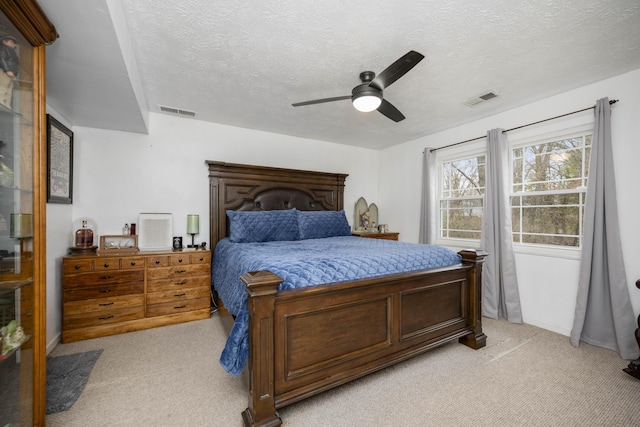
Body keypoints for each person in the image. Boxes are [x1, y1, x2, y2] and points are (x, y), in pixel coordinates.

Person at [0, 35, 19, 109]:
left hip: (12, 73)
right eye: (11, 42)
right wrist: (7, 70)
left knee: (9, 90)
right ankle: (1, 101)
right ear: (5, 41)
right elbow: (2, 59)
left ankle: (7, 104)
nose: (13, 44)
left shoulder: (12, 51)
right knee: (3, 87)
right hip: (5, 72)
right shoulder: (3, 49)